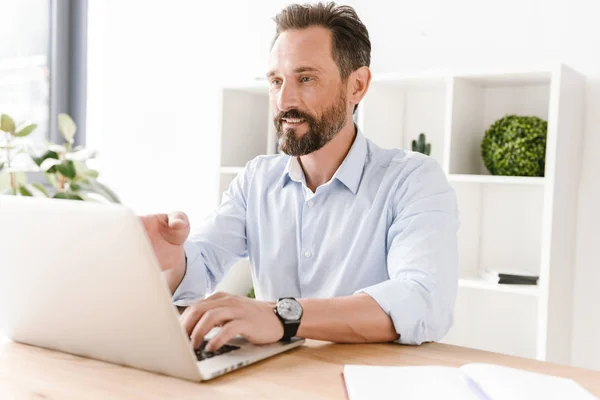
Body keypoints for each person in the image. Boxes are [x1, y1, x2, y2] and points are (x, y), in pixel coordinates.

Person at [142, 2, 459, 353]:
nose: (284, 99)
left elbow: (423, 300)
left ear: (357, 85)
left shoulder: (412, 180)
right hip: (274, 379)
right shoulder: (256, 180)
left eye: (305, 79)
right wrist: (172, 258)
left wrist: (283, 316)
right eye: (276, 81)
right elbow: (198, 267)